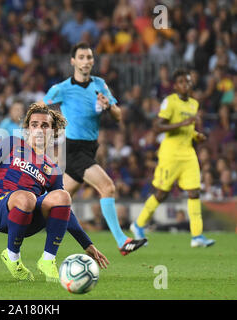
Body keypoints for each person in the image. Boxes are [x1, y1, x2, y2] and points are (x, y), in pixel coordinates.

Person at [0, 102, 109, 282]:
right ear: (27, 128)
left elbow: (65, 211)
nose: (39, 129)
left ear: (53, 131)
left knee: (63, 196)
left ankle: (48, 260)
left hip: (30, 218)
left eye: (45, 125)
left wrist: (87, 244)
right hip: (2, 209)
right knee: (27, 197)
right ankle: (12, 257)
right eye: (34, 125)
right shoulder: (11, 143)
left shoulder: (52, 167)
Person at [42, 42, 147, 255]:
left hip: (90, 148)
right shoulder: (62, 88)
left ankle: (23, 218)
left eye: (89, 57)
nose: (86, 61)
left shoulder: (100, 84)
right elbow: (40, 109)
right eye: (81, 57)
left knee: (56, 201)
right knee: (107, 187)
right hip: (73, 149)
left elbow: (118, 116)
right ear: (73, 61)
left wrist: (109, 106)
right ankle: (121, 241)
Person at [131, 69, 215, 248]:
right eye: (182, 82)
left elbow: (188, 129)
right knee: (161, 194)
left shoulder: (194, 103)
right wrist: (182, 124)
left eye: (188, 82)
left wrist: (196, 135)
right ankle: (138, 225)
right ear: (176, 86)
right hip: (170, 154)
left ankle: (197, 236)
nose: (185, 85)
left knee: (194, 192)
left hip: (188, 153)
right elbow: (157, 126)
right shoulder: (169, 102)